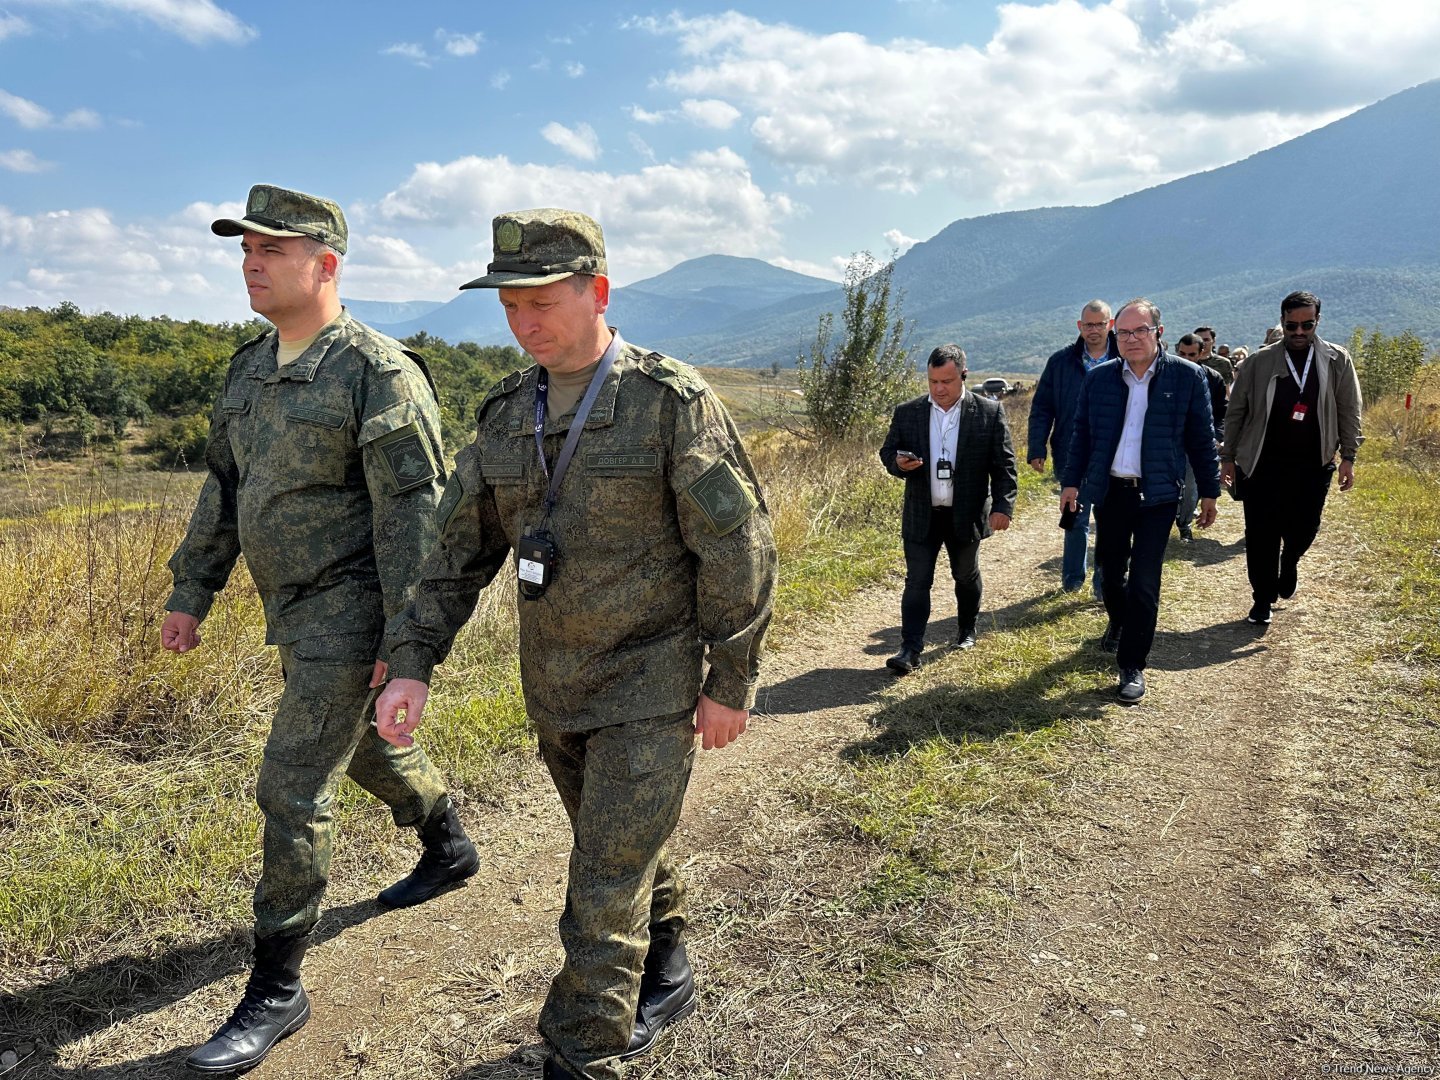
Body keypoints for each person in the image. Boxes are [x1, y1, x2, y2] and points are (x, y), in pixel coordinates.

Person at [374, 208, 777, 1080]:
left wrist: (730, 678)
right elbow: (456, 553)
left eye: (541, 301)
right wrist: (412, 661)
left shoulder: (669, 403)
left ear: (597, 292)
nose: (524, 323)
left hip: (651, 682)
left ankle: (581, 1052)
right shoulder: (505, 415)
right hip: (554, 687)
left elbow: (736, 546)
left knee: (599, 886)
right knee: (620, 850)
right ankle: (668, 966)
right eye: (509, 305)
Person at [161, 185, 479, 1073]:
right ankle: (447, 841)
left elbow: (413, 520)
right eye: (244, 250)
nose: (251, 264)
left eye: (270, 249)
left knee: (292, 782)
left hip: (355, 608)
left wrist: (405, 646)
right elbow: (224, 487)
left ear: (324, 264)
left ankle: (277, 985)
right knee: (369, 747)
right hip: (288, 607)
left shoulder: (378, 372)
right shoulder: (249, 368)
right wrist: (192, 590)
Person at [1061, 299, 1221, 702]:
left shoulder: (1187, 377)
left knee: (1146, 583)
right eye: (1124, 332)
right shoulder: (1099, 379)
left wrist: (1209, 492)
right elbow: (1081, 434)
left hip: (1158, 496)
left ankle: (1132, 664)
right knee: (1111, 575)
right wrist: (1071, 483)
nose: (1131, 339)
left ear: (1158, 333)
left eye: (1140, 331)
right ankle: (1119, 621)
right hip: (1112, 493)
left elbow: (1202, 439)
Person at [1220, 290, 1363, 624]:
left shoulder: (1336, 360)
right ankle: (1262, 598)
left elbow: (1349, 410)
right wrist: (1228, 456)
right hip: (1262, 463)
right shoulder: (1259, 362)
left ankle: (1292, 559)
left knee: (1304, 528)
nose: (1299, 333)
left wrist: (1349, 456)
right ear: (1282, 322)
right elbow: (1236, 412)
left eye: (1306, 325)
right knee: (1260, 533)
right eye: (1291, 326)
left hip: (1314, 463)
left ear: (1317, 322)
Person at [879, 344, 1017, 672]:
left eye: (947, 381)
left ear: (963, 377)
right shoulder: (908, 412)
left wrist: (1003, 506)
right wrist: (898, 464)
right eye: (933, 381)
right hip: (922, 514)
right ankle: (910, 649)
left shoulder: (988, 413)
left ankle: (966, 629)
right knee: (917, 581)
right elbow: (887, 453)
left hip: (966, 514)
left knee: (965, 576)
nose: (939, 389)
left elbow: (1004, 466)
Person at [1026, 301, 1119, 594]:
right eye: (1088, 325)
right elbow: (1042, 407)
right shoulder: (1060, 362)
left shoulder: (1127, 358)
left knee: (1108, 520)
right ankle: (1072, 579)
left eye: (1099, 324)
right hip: (1070, 450)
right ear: (1080, 326)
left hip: (1114, 453)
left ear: (1110, 325)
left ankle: (1103, 583)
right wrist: (1036, 446)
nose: (1094, 330)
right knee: (1075, 516)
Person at [1173, 333, 1228, 541]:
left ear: (1201, 353)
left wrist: (1217, 436)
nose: (1187, 359)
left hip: (1197, 441)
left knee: (1190, 486)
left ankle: (1184, 522)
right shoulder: (1165, 375)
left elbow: (1222, 411)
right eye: (1182, 354)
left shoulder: (1213, 378)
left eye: (1191, 355)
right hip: (1169, 440)